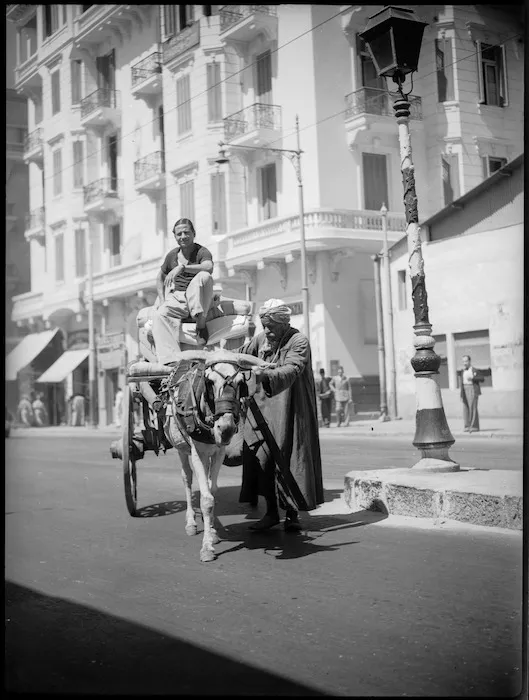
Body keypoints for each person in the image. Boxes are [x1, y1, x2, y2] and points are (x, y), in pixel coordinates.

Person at [238, 298, 324, 531]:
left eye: (271, 326)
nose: (267, 330)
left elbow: (292, 368)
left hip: (290, 408)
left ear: (284, 323)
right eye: (264, 325)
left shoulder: (298, 341)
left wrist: (265, 374)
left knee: (289, 456)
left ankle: (292, 514)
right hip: (262, 409)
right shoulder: (260, 339)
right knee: (262, 460)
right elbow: (241, 355)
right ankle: (271, 513)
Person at [152, 218, 214, 365]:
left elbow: (208, 267)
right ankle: (171, 361)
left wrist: (183, 268)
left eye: (186, 232)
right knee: (159, 315)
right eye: (179, 234)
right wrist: (162, 300)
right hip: (178, 298)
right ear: (175, 236)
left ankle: (200, 325)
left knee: (203, 277)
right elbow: (159, 277)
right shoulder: (172, 255)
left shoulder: (202, 252)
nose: (183, 236)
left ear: (194, 233)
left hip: (198, 295)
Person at [459, 354, 484, 433]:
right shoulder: (462, 371)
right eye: (463, 361)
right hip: (464, 390)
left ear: (469, 361)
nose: (464, 363)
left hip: (472, 389)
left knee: (473, 408)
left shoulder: (474, 370)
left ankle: (474, 427)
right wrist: (461, 394)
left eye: (466, 361)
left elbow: (482, 378)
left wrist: (473, 378)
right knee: (465, 408)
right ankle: (467, 426)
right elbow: (461, 384)